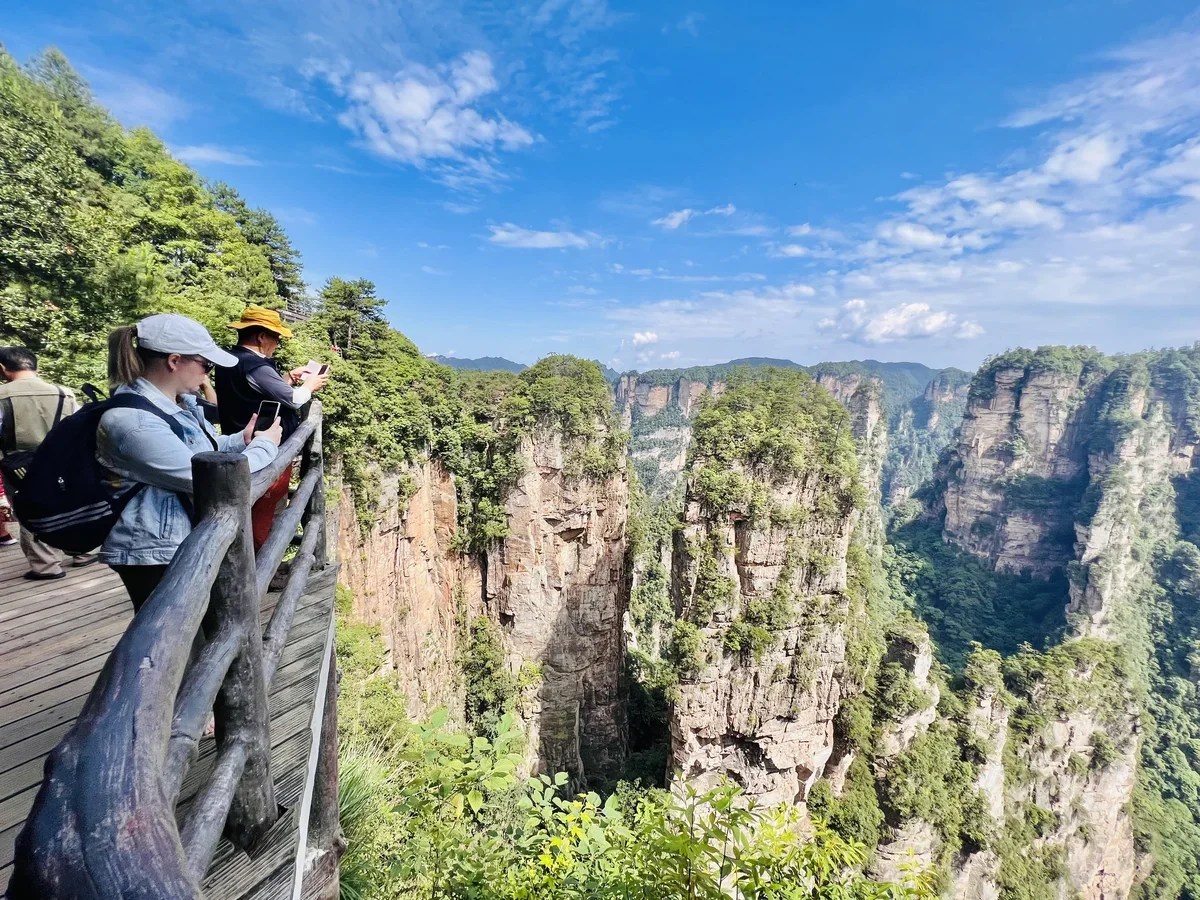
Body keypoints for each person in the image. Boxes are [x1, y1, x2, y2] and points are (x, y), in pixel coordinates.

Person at [99, 314, 283, 611]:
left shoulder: (175, 404)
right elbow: (213, 480)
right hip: (153, 552)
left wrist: (241, 440)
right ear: (174, 361)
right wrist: (265, 445)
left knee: (201, 636)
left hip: (179, 540)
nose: (207, 376)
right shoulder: (135, 422)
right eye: (205, 365)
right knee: (171, 645)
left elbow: (202, 451)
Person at [214, 306, 328, 551]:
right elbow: (294, 400)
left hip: (240, 441)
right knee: (265, 509)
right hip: (265, 449)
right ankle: (262, 570)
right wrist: (310, 384)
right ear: (261, 336)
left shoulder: (231, 360)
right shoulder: (256, 366)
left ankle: (259, 563)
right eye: (275, 337)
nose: (277, 343)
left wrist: (287, 377)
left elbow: (255, 393)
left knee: (254, 508)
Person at [0, 347, 96, 579]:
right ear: (35, 366)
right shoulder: (64, 393)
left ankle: (46, 565)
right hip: (63, 458)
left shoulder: (2, 395)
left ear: (3, 368)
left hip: (19, 463)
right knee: (69, 501)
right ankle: (82, 551)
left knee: (30, 506)